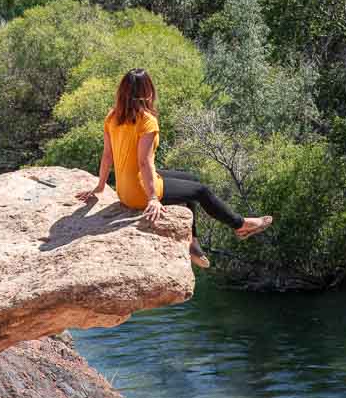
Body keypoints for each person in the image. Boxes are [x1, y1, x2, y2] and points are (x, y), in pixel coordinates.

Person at [76, 68, 272, 268]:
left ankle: (193, 243)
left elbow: (107, 155)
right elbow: (145, 162)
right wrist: (152, 198)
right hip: (139, 193)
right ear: (148, 91)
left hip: (123, 190)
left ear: (122, 91)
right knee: (201, 191)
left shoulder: (112, 116)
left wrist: (100, 186)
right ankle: (240, 225)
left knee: (191, 180)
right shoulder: (147, 121)